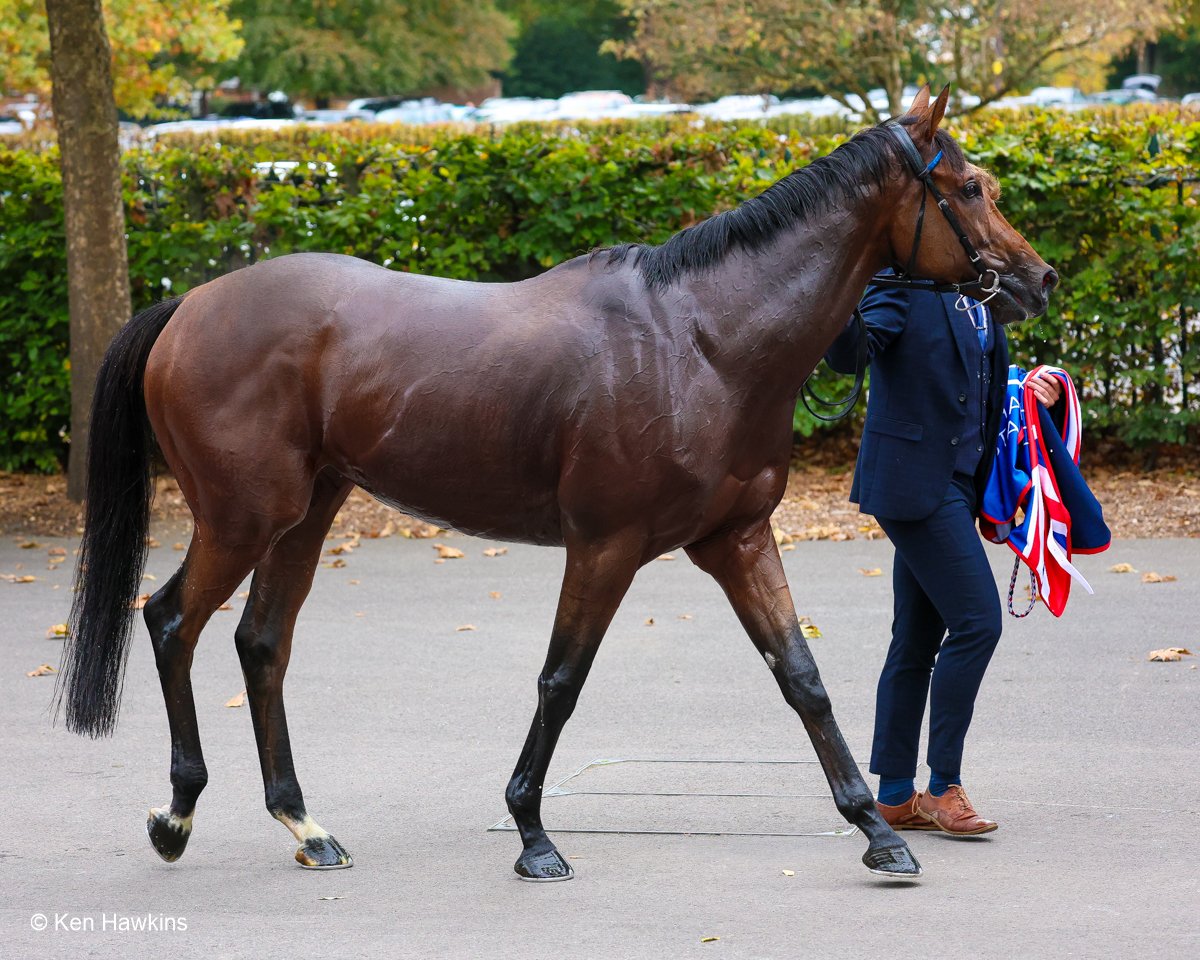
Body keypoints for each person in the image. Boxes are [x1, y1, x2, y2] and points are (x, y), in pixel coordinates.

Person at [825, 279, 1061, 835]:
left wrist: (1029, 385)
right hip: (912, 481)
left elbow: (973, 379)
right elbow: (851, 353)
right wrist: (831, 290)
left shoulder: (979, 292)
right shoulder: (898, 284)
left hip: (958, 481)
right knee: (978, 622)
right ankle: (942, 786)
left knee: (915, 639)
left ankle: (893, 795)